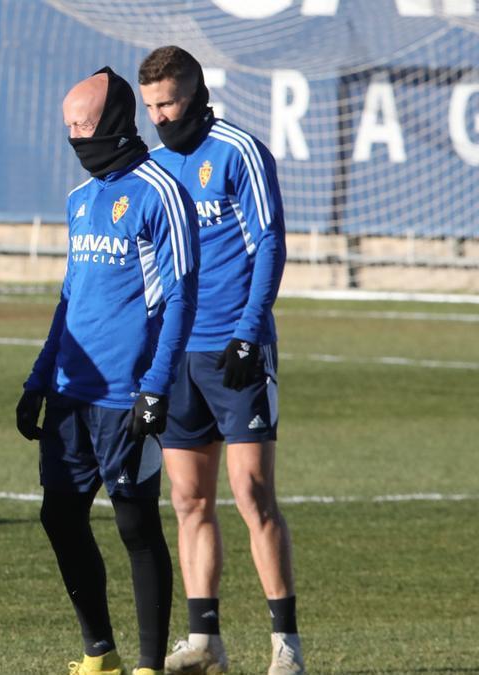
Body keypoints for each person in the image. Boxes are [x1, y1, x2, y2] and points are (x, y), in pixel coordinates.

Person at [17, 66, 199, 675]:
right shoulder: (80, 200)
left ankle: (149, 664)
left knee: (134, 519)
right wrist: (38, 379)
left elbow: (180, 298)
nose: (74, 136)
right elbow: (70, 298)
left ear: (116, 121)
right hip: (70, 392)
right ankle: (100, 653)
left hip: (128, 395)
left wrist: (156, 386)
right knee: (60, 516)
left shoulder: (161, 193)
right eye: (67, 125)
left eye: (84, 123)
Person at [137, 46, 302, 675]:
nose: (159, 116)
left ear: (197, 94)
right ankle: (205, 639)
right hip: (177, 355)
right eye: (150, 105)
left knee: (253, 493)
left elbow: (269, 240)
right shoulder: (153, 168)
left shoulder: (240, 151)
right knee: (187, 499)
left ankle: (285, 644)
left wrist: (248, 331)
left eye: (169, 103)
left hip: (237, 349)